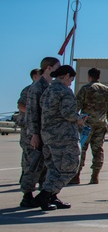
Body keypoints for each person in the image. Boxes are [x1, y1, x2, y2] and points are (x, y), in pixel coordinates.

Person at [33, 65, 87, 211]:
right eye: (71, 79)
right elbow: (68, 114)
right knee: (70, 168)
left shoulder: (47, 91)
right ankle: (45, 195)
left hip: (48, 136)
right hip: (64, 136)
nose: (71, 82)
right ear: (67, 75)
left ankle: (51, 197)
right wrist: (79, 119)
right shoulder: (64, 92)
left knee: (53, 168)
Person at [20, 57, 61, 208]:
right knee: (32, 166)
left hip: (47, 134)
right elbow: (31, 113)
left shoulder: (50, 86)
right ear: (49, 68)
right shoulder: (37, 87)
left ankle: (49, 195)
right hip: (36, 134)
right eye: (58, 66)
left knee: (48, 166)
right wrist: (34, 134)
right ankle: (27, 196)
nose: (60, 69)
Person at [73, 67, 108, 185]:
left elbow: (77, 106)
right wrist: (105, 119)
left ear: (89, 76)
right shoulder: (107, 90)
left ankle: (76, 175)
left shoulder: (85, 89)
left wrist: (75, 119)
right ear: (99, 77)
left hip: (86, 124)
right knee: (98, 149)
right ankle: (95, 176)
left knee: (82, 149)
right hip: (101, 123)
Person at [17, 69, 41, 197]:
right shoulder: (29, 89)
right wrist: (33, 111)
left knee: (35, 158)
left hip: (38, 127)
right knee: (29, 156)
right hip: (28, 128)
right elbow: (20, 105)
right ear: (34, 76)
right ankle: (26, 182)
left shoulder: (43, 89)